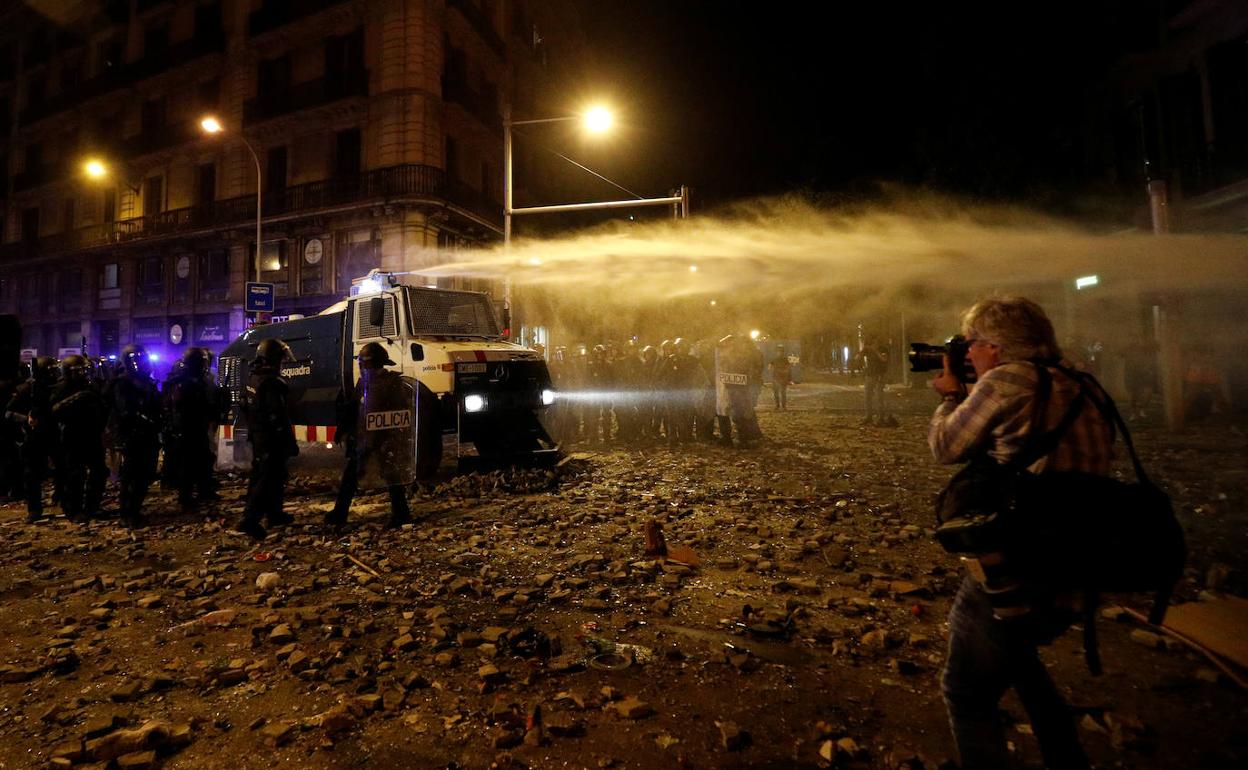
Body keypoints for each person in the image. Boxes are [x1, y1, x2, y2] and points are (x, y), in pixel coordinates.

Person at [928, 296, 1114, 770]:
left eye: (972, 344)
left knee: (965, 691)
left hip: (1017, 563)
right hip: (1079, 561)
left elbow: (947, 445)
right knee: (1021, 664)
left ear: (996, 346)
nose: (967, 353)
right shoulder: (1081, 381)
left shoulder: (1008, 379)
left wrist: (952, 396)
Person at [326, 342, 414, 529]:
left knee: (391, 477)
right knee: (354, 476)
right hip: (367, 438)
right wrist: (343, 429)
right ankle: (340, 513)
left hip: (381, 440)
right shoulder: (368, 382)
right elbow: (353, 408)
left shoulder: (389, 383)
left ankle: (401, 514)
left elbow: (402, 412)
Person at [237, 339, 298, 540]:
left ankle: (274, 514)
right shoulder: (272, 383)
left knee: (270, 475)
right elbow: (278, 416)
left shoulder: (254, 379)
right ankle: (249, 521)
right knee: (267, 479)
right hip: (271, 439)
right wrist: (288, 441)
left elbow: (246, 408)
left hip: (258, 436)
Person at [108, 345, 164, 528]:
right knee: (130, 477)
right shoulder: (122, 383)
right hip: (131, 436)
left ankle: (135, 510)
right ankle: (127, 514)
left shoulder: (147, 382)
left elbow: (156, 407)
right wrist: (145, 418)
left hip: (148, 436)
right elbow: (125, 411)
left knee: (145, 475)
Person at [50, 355, 108, 524]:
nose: (83, 373)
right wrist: (76, 398)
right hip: (72, 436)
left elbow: (102, 406)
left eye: (85, 370)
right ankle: (73, 510)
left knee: (99, 472)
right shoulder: (61, 387)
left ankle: (92, 506)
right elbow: (53, 411)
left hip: (92, 434)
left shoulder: (91, 385)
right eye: (79, 371)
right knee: (75, 475)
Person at [6, 356, 60, 523]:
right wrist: (26, 419)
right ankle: (34, 509)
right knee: (32, 475)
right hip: (35, 437)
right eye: (50, 370)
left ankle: (65, 501)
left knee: (65, 470)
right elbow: (8, 413)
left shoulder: (57, 388)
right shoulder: (27, 389)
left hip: (55, 434)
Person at [168, 348, 217, 515]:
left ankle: (205, 491)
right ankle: (185, 498)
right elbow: (180, 407)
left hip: (198, 427)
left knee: (204, 461)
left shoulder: (199, 380)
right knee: (187, 466)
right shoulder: (182, 381)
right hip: (187, 429)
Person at [862, 338, 891, 425]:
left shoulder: (883, 349)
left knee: (879, 397)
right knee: (867, 396)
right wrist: (863, 351)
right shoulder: (868, 351)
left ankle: (881, 418)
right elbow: (858, 357)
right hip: (870, 375)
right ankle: (868, 416)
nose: (873, 344)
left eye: (874, 342)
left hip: (879, 375)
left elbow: (884, 359)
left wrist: (876, 351)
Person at [769, 345, 792, 411]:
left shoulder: (785, 360)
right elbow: (770, 367)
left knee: (783, 393)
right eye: (778, 351)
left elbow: (788, 369)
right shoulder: (774, 359)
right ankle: (777, 406)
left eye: (781, 351)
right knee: (776, 393)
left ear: (783, 352)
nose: (779, 353)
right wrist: (772, 368)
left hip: (783, 379)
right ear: (777, 352)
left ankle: (783, 406)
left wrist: (788, 377)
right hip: (776, 378)